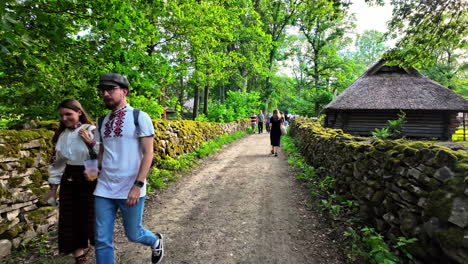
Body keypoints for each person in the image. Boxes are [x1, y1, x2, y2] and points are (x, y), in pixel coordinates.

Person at [93, 73, 163, 264]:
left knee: (134, 234)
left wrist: (138, 185)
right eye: (103, 90)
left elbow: (148, 153)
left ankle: (155, 241)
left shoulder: (139, 116)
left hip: (130, 187)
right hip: (104, 188)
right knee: (101, 239)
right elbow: (101, 152)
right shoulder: (101, 121)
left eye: (110, 89)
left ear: (124, 91)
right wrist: (92, 172)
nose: (106, 94)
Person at [45, 99, 98, 264]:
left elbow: (106, 152)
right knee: (69, 217)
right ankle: (79, 255)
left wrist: (91, 142)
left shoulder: (91, 130)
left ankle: (97, 247)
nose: (65, 118)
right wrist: (53, 189)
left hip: (90, 172)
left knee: (90, 215)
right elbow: (57, 163)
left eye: (69, 114)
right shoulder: (61, 136)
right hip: (69, 177)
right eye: (62, 115)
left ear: (79, 113)